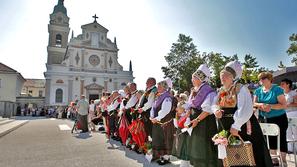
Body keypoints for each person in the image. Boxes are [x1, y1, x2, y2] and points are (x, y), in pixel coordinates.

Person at [214, 61, 273, 167]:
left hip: (242, 126)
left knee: (246, 155)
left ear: (233, 77)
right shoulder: (222, 90)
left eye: (226, 76)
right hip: (227, 126)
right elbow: (214, 104)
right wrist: (216, 111)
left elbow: (245, 109)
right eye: (222, 75)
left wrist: (236, 125)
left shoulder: (241, 89)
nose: (223, 78)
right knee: (231, 156)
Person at [186, 64, 220, 167]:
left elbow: (207, 110)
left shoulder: (208, 91)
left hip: (204, 123)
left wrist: (196, 120)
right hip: (196, 122)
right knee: (197, 147)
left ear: (200, 79)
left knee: (204, 148)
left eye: (194, 78)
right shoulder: (195, 90)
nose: (192, 80)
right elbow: (190, 105)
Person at [254, 72, 288, 165]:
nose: (261, 80)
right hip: (264, 119)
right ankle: (274, 161)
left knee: (281, 139)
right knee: (269, 140)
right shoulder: (257, 91)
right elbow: (254, 103)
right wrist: (260, 105)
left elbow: (284, 105)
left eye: (263, 78)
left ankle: (283, 161)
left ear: (269, 79)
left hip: (279, 119)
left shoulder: (277, 89)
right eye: (260, 78)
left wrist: (270, 106)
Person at [150, 79, 176, 165]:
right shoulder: (159, 96)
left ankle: (166, 158)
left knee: (166, 140)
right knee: (158, 139)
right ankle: (159, 156)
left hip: (164, 123)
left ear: (165, 87)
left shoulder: (167, 97)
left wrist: (156, 118)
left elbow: (165, 110)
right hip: (157, 122)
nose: (158, 87)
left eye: (159, 86)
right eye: (158, 86)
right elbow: (153, 107)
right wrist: (152, 116)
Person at [172, 99, 191, 167]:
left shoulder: (187, 116)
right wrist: (176, 118)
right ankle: (184, 164)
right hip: (181, 135)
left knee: (185, 150)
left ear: (183, 109)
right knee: (182, 150)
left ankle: (186, 164)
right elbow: (177, 126)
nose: (176, 109)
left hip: (185, 136)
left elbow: (187, 126)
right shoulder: (181, 116)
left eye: (178, 107)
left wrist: (187, 117)